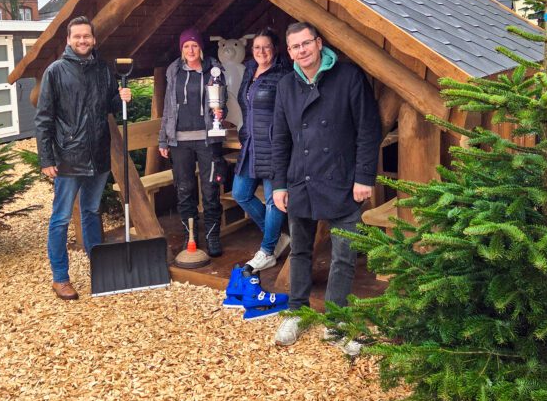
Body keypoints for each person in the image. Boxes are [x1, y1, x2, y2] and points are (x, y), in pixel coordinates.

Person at [270, 22, 380, 351]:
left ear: (319, 43)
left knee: (344, 256)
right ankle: (296, 312)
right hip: (300, 179)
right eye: (294, 47)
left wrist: (364, 177)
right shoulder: (286, 85)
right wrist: (278, 184)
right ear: (289, 52)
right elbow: (280, 138)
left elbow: (368, 130)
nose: (301, 51)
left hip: (343, 180)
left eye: (306, 43)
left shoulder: (348, 77)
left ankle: (335, 320)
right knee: (300, 251)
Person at [35, 16, 132, 301]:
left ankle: (98, 264)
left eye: (86, 37)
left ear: (93, 39)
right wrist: (46, 158)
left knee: (91, 211)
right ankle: (60, 278)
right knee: (61, 218)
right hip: (68, 157)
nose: (82, 41)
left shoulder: (102, 69)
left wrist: (123, 97)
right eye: (77, 37)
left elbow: (111, 105)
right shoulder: (55, 72)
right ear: (68, 40)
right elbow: (43, 119)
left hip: (98, 154)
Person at [158, 28, 227, 257]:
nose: (190, 50)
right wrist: (163, 139)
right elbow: (168, 107)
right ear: (181, 49)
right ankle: (191, 236)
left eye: (194, 45)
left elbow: (221, 102)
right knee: (184, 190)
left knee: (210, 190)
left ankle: (212, 236)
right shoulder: (174, 71)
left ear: (201, 48)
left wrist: (220, 112)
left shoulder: (214, 70)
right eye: (186, 46)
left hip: (208, 139)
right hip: (180, 142)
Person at [232, 27, 291, 271]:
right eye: (257, 47)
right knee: (240, 193)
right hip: (251, 144)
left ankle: (267, 251)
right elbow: (246, 106)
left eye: (266, 47)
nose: (261, 51)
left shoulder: (283, 74)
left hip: (272, 144)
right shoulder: (249, 70)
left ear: (274, 49)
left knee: (272, 200)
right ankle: (277, 238)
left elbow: (288, 112)